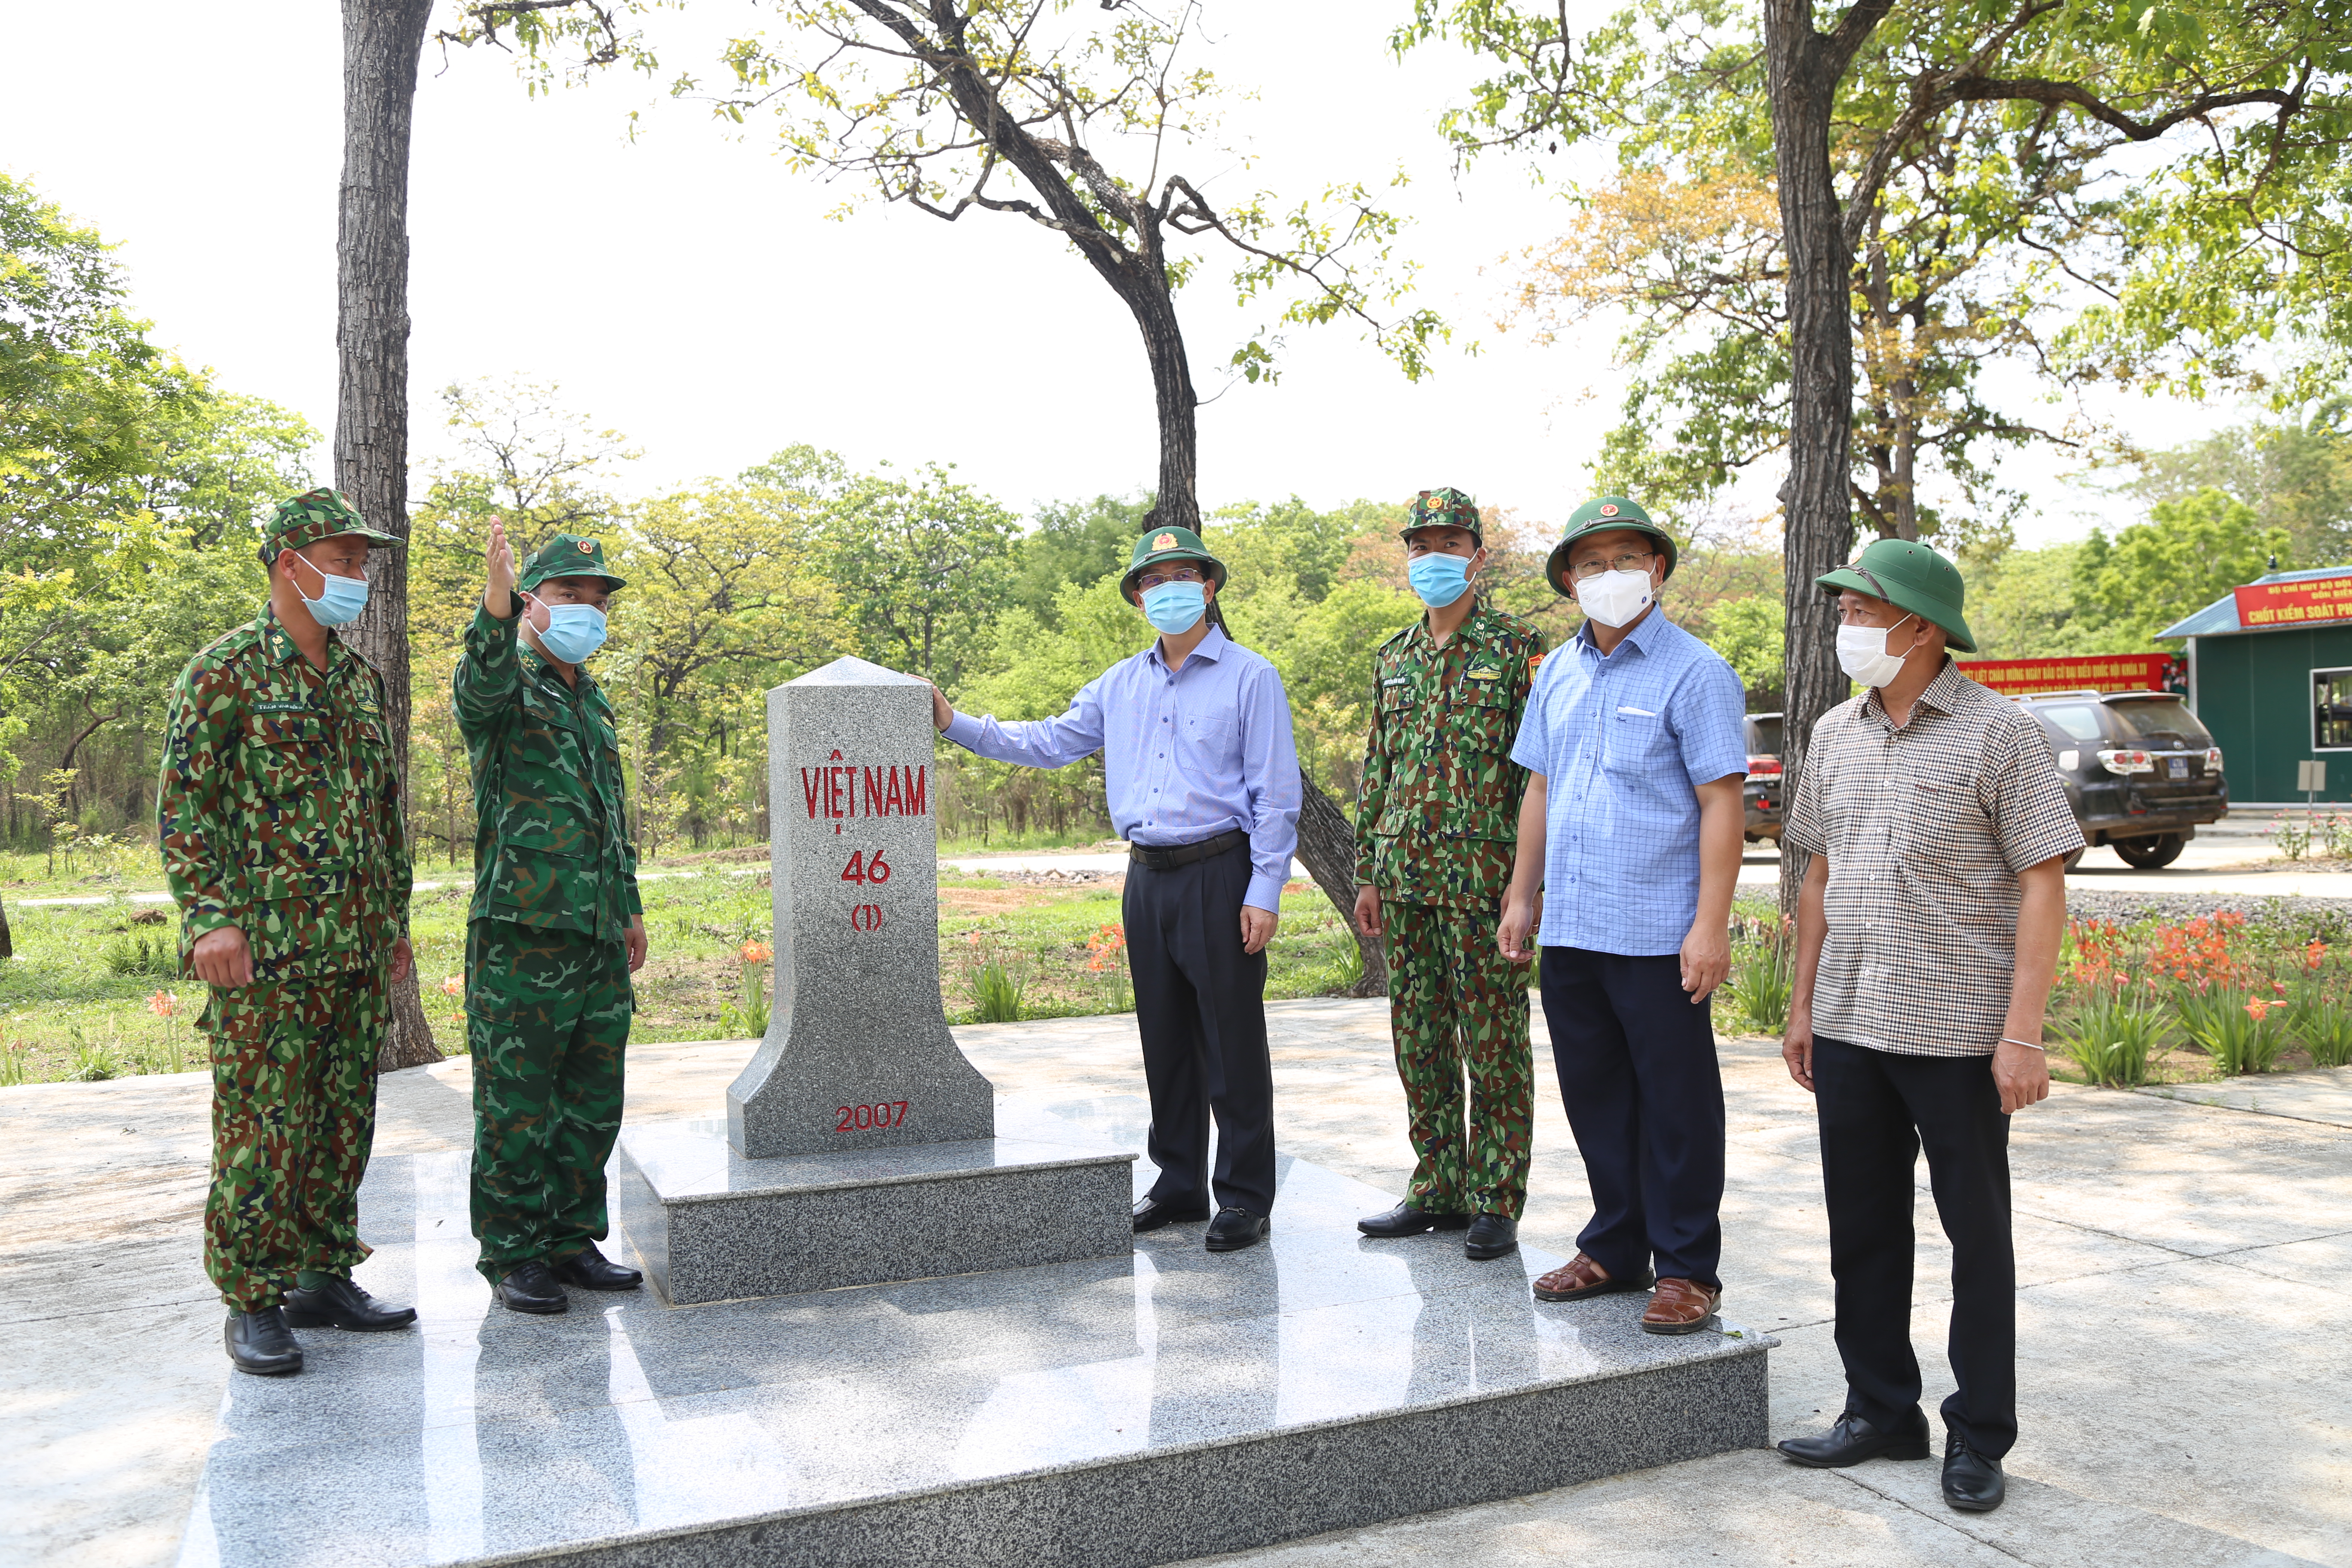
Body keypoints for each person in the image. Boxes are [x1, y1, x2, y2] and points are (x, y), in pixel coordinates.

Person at [1775, 538, 2079, 1514]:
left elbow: (2043, 883)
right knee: (1861, 1231)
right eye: (1845, 611)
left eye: (1865, 610)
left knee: (1976, 1237)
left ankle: (1980, 1433)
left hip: (1958, 1031)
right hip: (1853, 1020)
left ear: (1923, 625)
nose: (1848, 627)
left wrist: (2023, 1033)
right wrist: (1801, 1004)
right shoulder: (1834, 732)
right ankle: (1880, 1410)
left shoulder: (2001, 734)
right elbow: (1816, 874)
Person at [931, 522, 1302, 1253]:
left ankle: (1245, 1197)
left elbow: (1277, 795)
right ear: (1138, 597)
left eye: (1183, 576)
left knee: (1232, 1043)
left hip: (1222, 871)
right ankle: (1179, 1184)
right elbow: (1049, 741)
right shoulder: (1119, 684)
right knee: (1164, 1039)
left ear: (1210, 586)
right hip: (1148, 876)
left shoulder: (1250, 675)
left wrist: (1265, 889)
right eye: (1154, 581)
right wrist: (955, 723)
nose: (1170, 590)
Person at [159, 487, 418, 1377]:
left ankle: (320, 1275)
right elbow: (184, 804)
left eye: (362, 564)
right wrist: (210, 918)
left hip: (349, 947)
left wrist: (391, 923)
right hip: (263, 955)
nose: (358, 577)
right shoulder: (224, 672)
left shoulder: (356, 680)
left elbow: (381, 816)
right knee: (264, 1128)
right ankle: (253, 1297)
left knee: (343, 1121)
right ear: (288, 564)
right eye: (344, 561)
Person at [1498, 496, 1748, 1333]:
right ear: (1569, 578)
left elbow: (1721, 804)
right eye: (1593, 562)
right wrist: (1521, 894)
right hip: (1572, 928)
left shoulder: (1696, 672)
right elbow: (1539, 786)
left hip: (1658, 932)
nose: (1611, 576)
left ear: (1659, 569)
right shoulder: (1556, 673)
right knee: (1597, 1097)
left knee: (1676, 1104)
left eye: (1626, 559)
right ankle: (1614, 1245)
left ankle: (1687, 1270)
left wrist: (1710, 924)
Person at [454, 520, 649, 1314]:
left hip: (597, 934)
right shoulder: (506, 689)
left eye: (597, 599)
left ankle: (570, 1237)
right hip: (522, 936)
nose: (586, 610)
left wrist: (628, 908)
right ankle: (513, 1253)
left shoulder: (592, 701)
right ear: (533, 600)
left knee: (592, 1097)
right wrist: (493, 611)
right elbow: (479, 682)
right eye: (570, 594)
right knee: (516, 1104)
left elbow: (609, 815)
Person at [1353, 487, 1547, 1262]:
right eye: (1420, 546)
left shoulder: (1517, 650)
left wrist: (1526, 887)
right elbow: (1380, 768)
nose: (1434, 558)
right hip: (1404, 879)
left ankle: (1497, 1198)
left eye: (1449, 544)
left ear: (1478, 556)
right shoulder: (1393, 657)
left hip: (1483, 880)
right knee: (1421, 1037)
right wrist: (1367, 870)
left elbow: (1541, 774)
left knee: (1494, 1040)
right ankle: (1437, 1185)